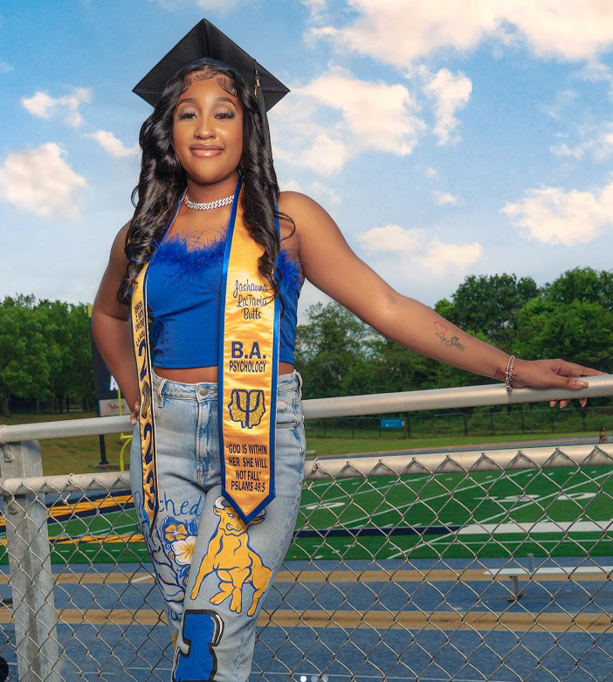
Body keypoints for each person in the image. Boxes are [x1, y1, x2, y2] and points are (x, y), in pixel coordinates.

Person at [91, 18, 602, 682]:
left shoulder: (286, 218)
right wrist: (137, 393)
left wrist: (512, 367)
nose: (206, 127)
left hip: (254, 434)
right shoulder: (141, 231)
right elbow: (107, 314)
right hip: (165, 447)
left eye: (224, 112)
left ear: (249, 127)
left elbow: (387, 307)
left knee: (211, 626)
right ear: (168, 129)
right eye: (188, 113)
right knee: (191, 633)